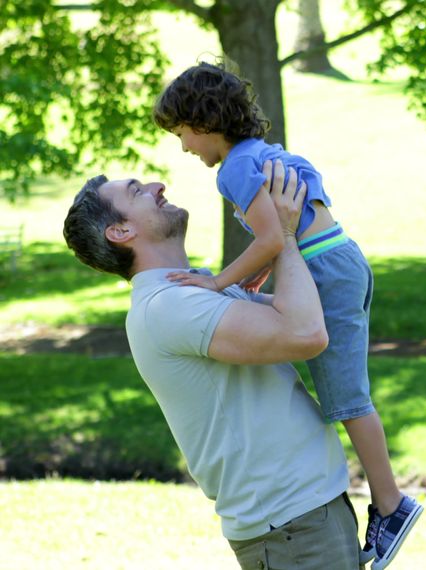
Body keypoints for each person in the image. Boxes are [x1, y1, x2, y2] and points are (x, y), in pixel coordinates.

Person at [152, 61, 421, 569]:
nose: (184, 146)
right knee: (342, 392)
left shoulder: (233, 169)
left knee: (345, 397)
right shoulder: (264, 154)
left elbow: (276, 237)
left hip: (325, 273)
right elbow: (289, 231)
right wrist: (259, 275)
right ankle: (389, 502)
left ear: (204, 123)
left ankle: (391, 505)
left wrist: (216, 281)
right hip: (337, 261)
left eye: (182, 133)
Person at [63, 160, 359, 568]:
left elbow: (312, 313)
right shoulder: (168, 307)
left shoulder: (192, 291)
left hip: (303, 518)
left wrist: (282, 240)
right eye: (137, 190)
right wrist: (282, 235)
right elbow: (306, 334)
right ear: (121, 232)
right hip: (293, 528)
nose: (157, 184)